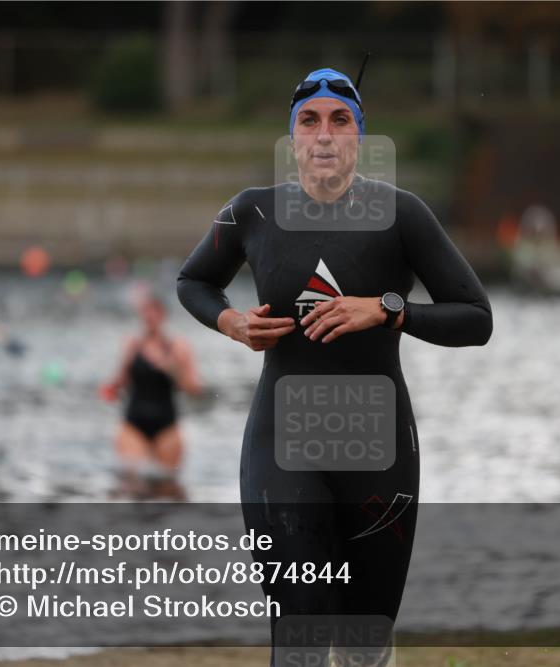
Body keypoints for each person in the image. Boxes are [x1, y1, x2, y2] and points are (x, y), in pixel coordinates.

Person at [176, 66, 492, 666]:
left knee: (364, 643)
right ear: (292, 137)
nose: (324, 135)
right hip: (281, 446)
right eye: (310, 121)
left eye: (339, 121)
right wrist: (230, 322)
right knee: (298, 628)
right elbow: (192, 280)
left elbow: (476, 318)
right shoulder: (252, 214)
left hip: (380, 454)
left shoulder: (402, 216)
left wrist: (387, 309)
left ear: (360, 138)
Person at [101, 292, 202, 499]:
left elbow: (194, 389)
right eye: (145, 312)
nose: (149, 317)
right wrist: (110, 388)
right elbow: (119, 381)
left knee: (167, 486)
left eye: (154, 312)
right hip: (133, 424)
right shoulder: (132, 345)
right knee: (132, 482)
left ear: (162, 315)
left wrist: (172, 368)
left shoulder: (178, 347)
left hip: (167, 427)